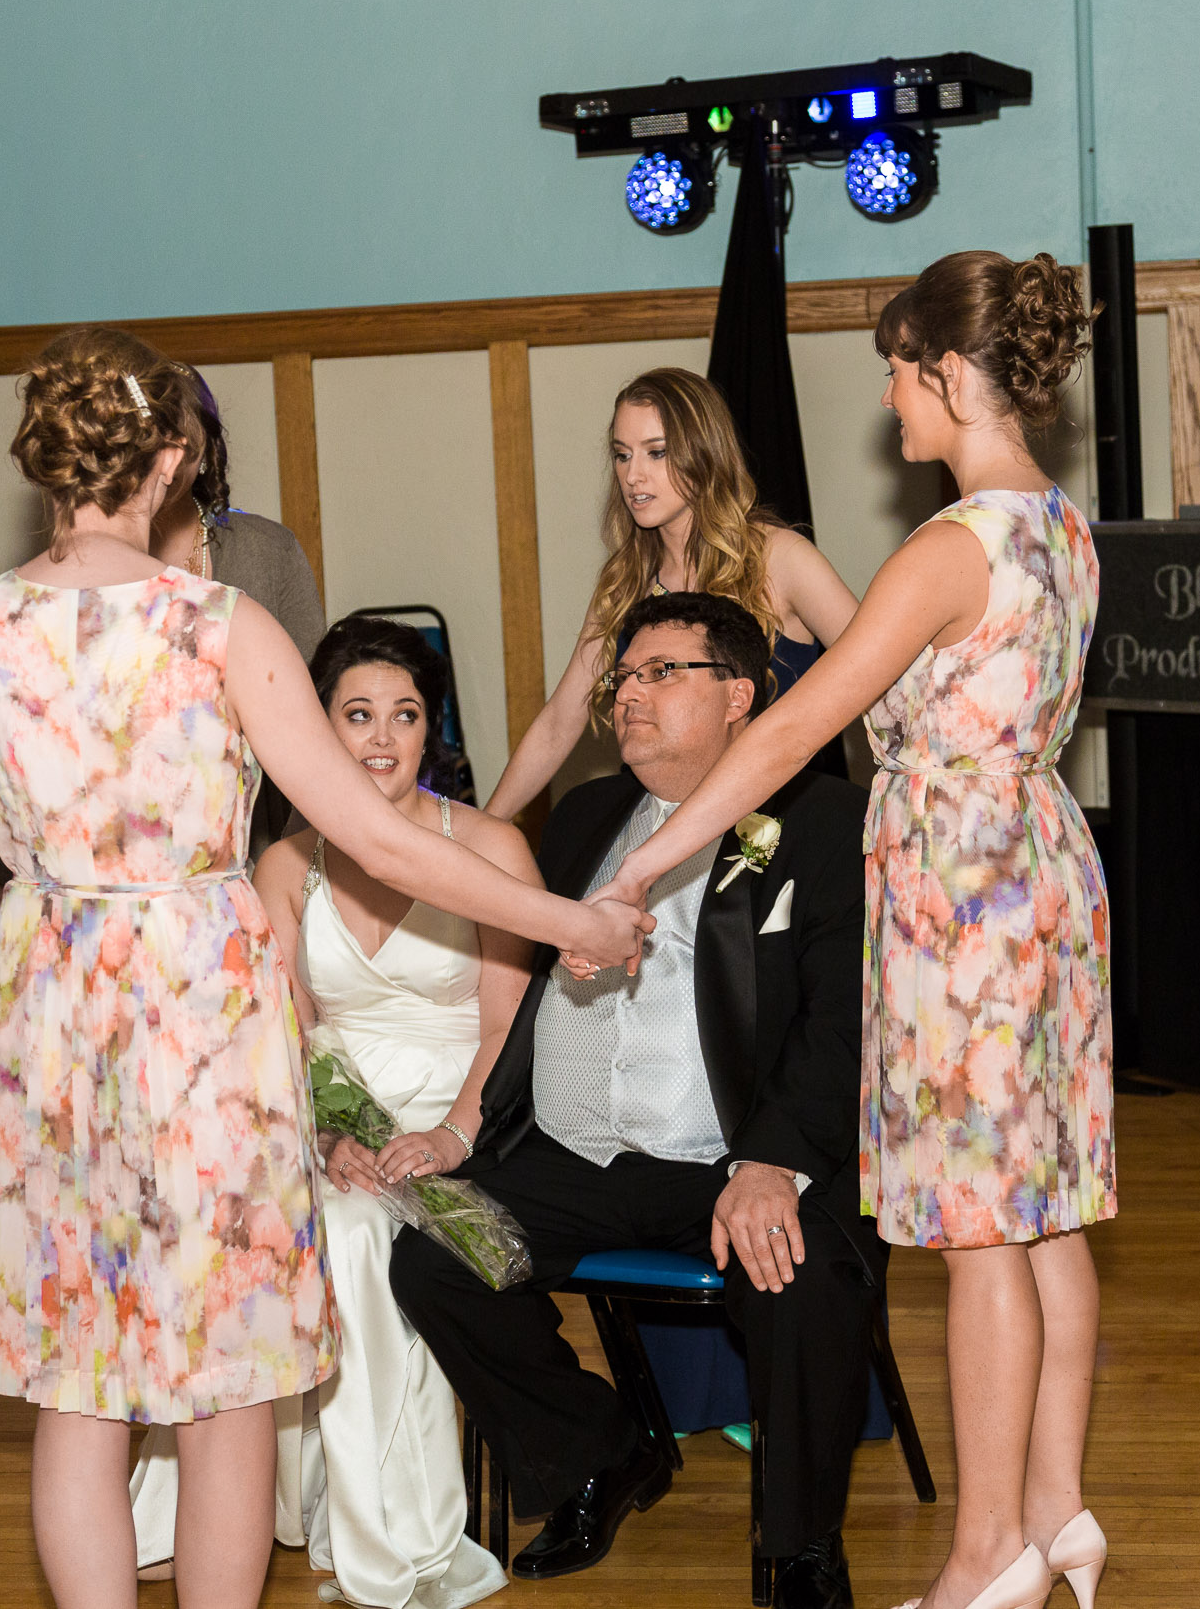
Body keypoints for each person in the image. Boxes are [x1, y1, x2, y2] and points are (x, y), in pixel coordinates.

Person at [0, 327, 645, 1609]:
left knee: (78, 1387)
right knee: (229, 1386)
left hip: (51, 1015)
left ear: (42, 460)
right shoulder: (221, 626)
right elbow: (381, 837)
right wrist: (567, 923)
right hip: (202, 1012)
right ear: (168, 461)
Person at [579, 252, 1114, 1609]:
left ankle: (987, 1553)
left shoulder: (949, 548)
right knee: (1045, 1215)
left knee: (980, 1234)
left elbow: (789, 732)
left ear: (950, 371)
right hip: (1040, 864)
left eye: (897, 370)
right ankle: (1055, 1507)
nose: (888, 398)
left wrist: (646, 868)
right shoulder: (1059, 526)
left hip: (963, 895)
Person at [390, 593, 885, 1608]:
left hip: (731, 1158)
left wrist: (770, 1163)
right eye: (624, 678)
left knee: (800, 1275)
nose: (629, 696)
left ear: (740, 696)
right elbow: (518, 983)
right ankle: (602, 1452)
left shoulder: (827, 823)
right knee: (434, 1253)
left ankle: (801, 1546)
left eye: (663, 673)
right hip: (575, 1155)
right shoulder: (584, 819)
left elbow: (844, 1022)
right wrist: (463, 1129)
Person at [128, 615, 529, 1609]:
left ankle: (385, 1535)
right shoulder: (285, 864)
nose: (382, 738)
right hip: (321, 1112)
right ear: (318, 727)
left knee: (348, 1234)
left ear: (432, 729)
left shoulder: (490, 848)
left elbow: (509, 1032)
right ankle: (227, 1506)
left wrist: (450, 1135)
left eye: (405, 714)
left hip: (464, 1116)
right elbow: (286, 1032)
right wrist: (327, 1130)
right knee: (236, 1217)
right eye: (356, 715)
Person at [0, 365, 324, 954]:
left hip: (245, 861)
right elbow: (56, 752)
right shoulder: (62, 578)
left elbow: (317, 733)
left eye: (180, 432)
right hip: (91, 904)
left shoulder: (263, 554)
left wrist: (291, 881)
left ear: (198, 449)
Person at [485, 367, 858, 823]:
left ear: (705, 453)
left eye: (656, 452)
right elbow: (560, 722)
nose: (633, 475)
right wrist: (484, 829)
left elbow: (885, 672)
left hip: (773, 824)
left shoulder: (782, 558)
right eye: (622, 455)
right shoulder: (625, 580)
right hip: (658, 822)